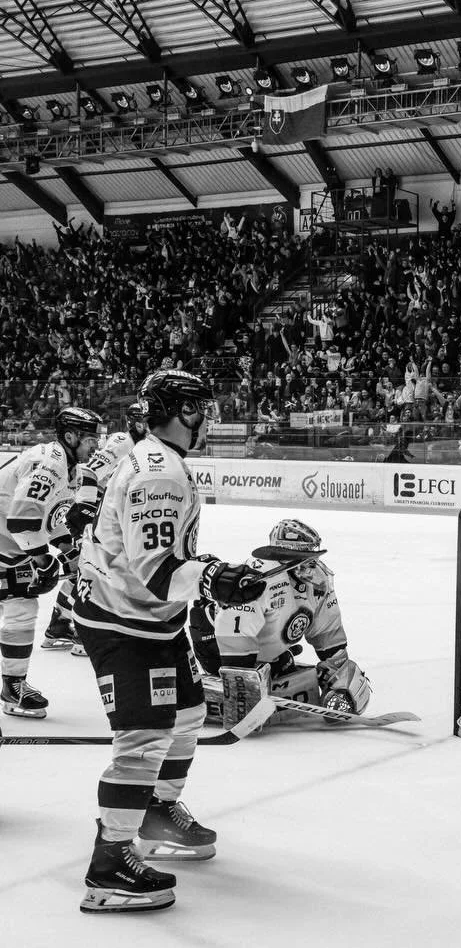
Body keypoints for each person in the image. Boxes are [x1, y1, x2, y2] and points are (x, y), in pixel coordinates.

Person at [72, 370, 266, 914]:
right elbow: (157, 571)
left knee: (185, 714)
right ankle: (107, 869)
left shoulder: (154, 457)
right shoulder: (158, 473)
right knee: (144, 737)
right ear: (183, 411)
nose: (208, 418)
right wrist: (214, 580)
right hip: (124, 621)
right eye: (202, 407)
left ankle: (155, 812)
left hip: (146, 617)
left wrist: (205, 576)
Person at [189, 519, 371, 724]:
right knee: (252, 690)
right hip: (216, 643)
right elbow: (234, 631)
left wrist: (338, 673)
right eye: (302, 557)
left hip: (267, 649)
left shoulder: (318, 580)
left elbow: (328, 633)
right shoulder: (258, 578)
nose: (310, 566)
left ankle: (271, 671)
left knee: (346, 676)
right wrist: (243, 685)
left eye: (311, 555)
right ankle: (207, 693)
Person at [0, 406, 102, 718]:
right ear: (70, 437)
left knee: (21, 607)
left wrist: (69, 551)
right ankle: (12, 686)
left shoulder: (67, 466)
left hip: (9, 544)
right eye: (90, 440)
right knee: (20, 607)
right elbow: (21, 519)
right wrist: (44, 562)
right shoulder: (50, 465)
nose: (96, 446)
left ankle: (12, 686)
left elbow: (49, 516)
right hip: (9, 541)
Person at [46, 402, 148, 657]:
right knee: (95, 570)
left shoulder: (139, 446)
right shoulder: (123, 441)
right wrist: (87, 509)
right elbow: (90, 469)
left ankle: (59, 626)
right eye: (146, 420)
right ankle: (82, 634)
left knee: (85, 568)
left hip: (99, 509)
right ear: (137, 422)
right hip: (90, 510)